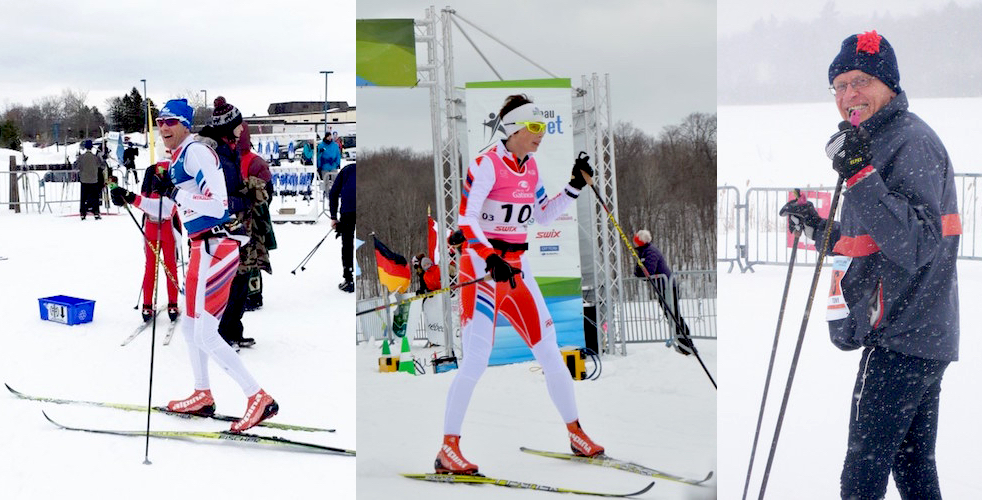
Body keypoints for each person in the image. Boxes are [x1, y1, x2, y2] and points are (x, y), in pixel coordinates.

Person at [779, 31, 960, 500]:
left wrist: (859, 172)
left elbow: (917, 243)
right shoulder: (875, 141)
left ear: (889, 84)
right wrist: (818, 226)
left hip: (903, 335)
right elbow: (871, 240)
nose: (847, 95)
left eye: (859, 81)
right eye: (838, 86)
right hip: (915, 334)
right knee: (913, 466)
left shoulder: (910, 142)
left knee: (862, 476)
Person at [434, 94, 602, 475]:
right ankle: (448, 448)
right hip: (483, 270)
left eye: (543, 127)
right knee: (476, 359)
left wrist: (574, 186)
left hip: (518, 271)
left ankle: (576, 432)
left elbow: (543, 215)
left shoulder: (531, 169)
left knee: (550, 351)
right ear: (514, 128)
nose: (541, 135)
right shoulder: (487, 164)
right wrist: (489, 257)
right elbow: (467, 218)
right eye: (535, 127)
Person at [146, 98, 277, 432]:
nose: (164, 128)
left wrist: (176, 193)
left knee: (205, 332)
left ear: (186, 124)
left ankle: (257, 397)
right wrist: (132, 198)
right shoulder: (179, 156)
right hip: (199, 247)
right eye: (160, 121)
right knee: (190, 328)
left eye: (171, 122)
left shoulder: (197, 152)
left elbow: (218, 204)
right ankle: (202, 393)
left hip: (217, 246)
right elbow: (175, 204)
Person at [195, 97, 254, 350]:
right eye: (239, 125)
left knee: (241, 278)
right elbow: (215, 198)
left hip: (236, 224)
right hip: (221, 227)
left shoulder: (230, 150)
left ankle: (232, 328)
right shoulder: (215, 155)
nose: (242, 130)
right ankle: (220, 332)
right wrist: (244, 199)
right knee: (230, 280)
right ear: (229, 127)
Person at [110, 162, 182, 324]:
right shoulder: (151, 170)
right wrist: (124, 197)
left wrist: (129, 197)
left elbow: (166, 207)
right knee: (156, 266)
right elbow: (146, 202)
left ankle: (167, 303)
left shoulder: (176, 170)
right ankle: (150, 304)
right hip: (153, 226)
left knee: (163, 265)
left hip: (168, 227)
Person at [236, 121, 276, 312]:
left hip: (248, 215)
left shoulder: (250, 161)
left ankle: (252, 294)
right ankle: (250, 293)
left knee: (249, 256)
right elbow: (269, 191)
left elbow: (267, 191)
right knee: (249, 255)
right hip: (248, 216)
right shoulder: (253, 160)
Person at [632, 229, 693, 356]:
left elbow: (649, 271)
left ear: (641, 241)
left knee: (674, 315)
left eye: (636, 241)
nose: (634, 243)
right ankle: (682, 341)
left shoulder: (650, 252)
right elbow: (639, 272)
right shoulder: (644, 252)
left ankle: (687, 344)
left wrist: (641, 270)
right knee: (670, 316)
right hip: (662, 287)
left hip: (668, 287)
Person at [329, 161, 355, 293]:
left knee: (348, 244)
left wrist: (333, 217)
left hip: (348, 211)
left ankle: (349, 279)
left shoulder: (347, 170)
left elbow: (333, 193)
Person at [75, 139, 105, 220]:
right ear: (92, 147)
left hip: (84, 180)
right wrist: (102, 158)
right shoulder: (95, 158)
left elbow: (76, 166)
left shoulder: (81, 157)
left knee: (83, 197)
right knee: (95, 198)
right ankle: (96, 212)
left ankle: (83, 213)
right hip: (94, 180)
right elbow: (102, 166)